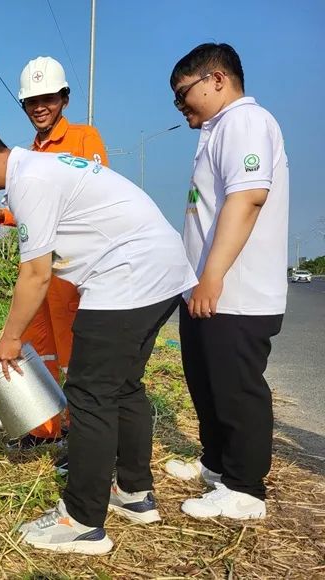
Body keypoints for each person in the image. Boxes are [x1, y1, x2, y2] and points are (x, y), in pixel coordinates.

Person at [0, 115, 196, 555]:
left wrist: (10, 338)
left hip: (127, 275)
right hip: (161, 271)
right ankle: (133, 493)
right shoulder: (41, 170)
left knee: (89, 394)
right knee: (123, 386)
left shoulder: (30, 180)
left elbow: (35, 274)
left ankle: (82, 521)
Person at [164, 43, 288, 520]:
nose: (181, 107)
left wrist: (212, 276)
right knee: (207, 382)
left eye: (183, 95)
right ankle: (216, 464)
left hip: (237, 291)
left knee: (237, 389)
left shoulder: (245, 122)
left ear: (217, 79)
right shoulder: (217, 130)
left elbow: (248, 199)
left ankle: (245, 487)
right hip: (207, 288)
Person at [0, 56, 110, 448]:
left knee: (73, 356)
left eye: (48, 98)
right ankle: (43, 428)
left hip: (71, 269)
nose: (40, 106)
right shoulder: (28, 153)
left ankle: (76, 429)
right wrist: (3, 214)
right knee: (39, 352)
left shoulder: (86, 139)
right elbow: (30, 212)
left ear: (64, 99)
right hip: (39, 270)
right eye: (31, 100)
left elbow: (94, 198)